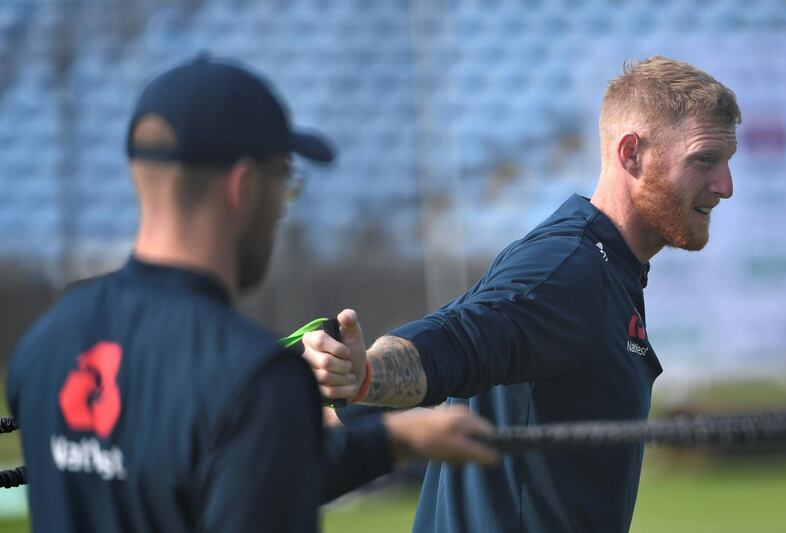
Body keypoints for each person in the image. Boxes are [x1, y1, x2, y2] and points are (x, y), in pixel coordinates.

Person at [6, 55, 498, 533]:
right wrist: (281, 406)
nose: (284, 208)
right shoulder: (253, 378)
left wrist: (392, 439)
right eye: (284, 179)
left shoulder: (49, 342)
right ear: (241, 187)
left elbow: (188, 466)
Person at [302, 56, 741, 532]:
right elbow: (458, 339)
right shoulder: (570, 269)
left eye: (726, 163)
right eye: (704, 160)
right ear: (630, 153)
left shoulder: (598, 263)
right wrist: (365, 376)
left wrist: (353, 390)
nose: (725, 186)